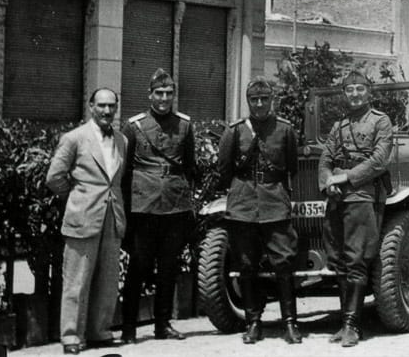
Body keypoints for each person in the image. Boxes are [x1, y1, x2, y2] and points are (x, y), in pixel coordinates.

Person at [216, 77, 302, 344]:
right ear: (248, 101)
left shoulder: (285, 130)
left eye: (265, 99)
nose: (260, 104)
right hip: (243, 204)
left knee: (284, 262)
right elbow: (224, 169)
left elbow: (292, 166)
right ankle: (253, 322)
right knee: (246, 263)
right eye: (255, 99)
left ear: (272, 100)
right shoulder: (235, 131)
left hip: (274, 202)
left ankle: (290, 322)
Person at [45, 88, 127, 355]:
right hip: (83, 216)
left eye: (111, 106)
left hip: (111, 217)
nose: (107, 111)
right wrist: (79, 196)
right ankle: (71, 336)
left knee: (107, 280)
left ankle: (100, 331)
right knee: (76, 281)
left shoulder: (121, 140)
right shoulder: (74, 139)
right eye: (101, 105)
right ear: (91, 107)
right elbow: (54, 177)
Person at [120, 69, 197, 343]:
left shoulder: (185, 126)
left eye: (169, 94)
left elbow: (189, 166)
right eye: (159, 93)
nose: (164, 99)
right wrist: (129, 211)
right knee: (138, 266)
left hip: (174, 206)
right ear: (149, 95)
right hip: (144, 208)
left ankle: (162, 325)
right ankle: (128, 327)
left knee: (168, 267)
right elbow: (125, 170)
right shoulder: (134, 126)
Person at [319, 70, 394, 347]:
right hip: (338, 199)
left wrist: (346, 177)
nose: (354, 94)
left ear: (369, 92)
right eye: (349, 90)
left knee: (356, 259)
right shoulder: (338, 126)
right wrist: (328, 182)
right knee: (338, 260)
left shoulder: (380, 122)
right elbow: (325, 158)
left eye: (360, 89)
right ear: (344, 94)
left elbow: (379, 160)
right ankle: (344, 322)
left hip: (362, 196)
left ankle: (353, 325)